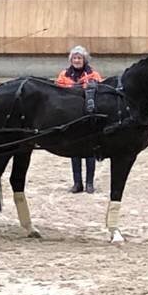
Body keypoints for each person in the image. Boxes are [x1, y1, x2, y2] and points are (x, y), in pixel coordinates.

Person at [55, 45, 103, 194]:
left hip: (88, 118)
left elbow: (101, 94)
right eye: (74, 58)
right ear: (71, 60)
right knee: (74, 151)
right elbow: (57, 94)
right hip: (71, 118)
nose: (77, 60)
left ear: (84, 60)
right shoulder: (63, 75)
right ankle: (77, 183)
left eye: (79, 58)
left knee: (89, 151)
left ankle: (89, 183)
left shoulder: (94, 75)